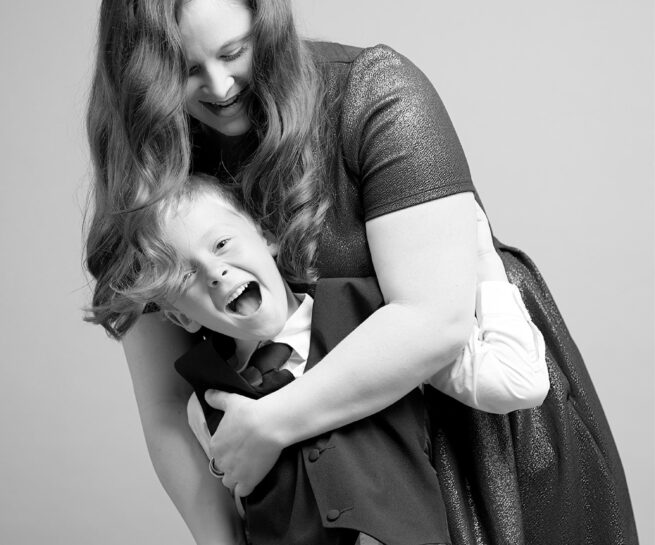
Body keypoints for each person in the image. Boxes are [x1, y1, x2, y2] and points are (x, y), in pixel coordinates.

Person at [84, 1, 638, 544]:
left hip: (474, 440)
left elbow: (434, 321)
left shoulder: (375, 94)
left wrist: (272, 422)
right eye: (185, 71)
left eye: (234, 52)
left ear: (265, 21)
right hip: (316, 489)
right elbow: (165, 406)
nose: (222, 86)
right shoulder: (141, 175)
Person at [109, 173, 547, 545]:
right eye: (186, 274)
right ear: (178, 317)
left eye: (222, 243)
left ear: (268, 237)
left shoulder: (381, 320)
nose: (215, 271)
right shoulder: (201, 407)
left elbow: (517, 381)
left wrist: (482, 254)